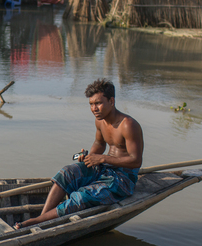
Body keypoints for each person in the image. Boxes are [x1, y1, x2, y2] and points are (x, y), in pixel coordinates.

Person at [16, 79, 144, 229]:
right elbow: (99, 144)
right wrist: (89, 157)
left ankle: (37, 222)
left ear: (111, 101)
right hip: (104, 167)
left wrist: (102, 158)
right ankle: (43, 217)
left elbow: (136, 161)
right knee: (66, 173)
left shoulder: (128, 125)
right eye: (91, 104)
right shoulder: (100, 121)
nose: (94, 108)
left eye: (98, 103)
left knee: (82, 196)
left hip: (122, 178)